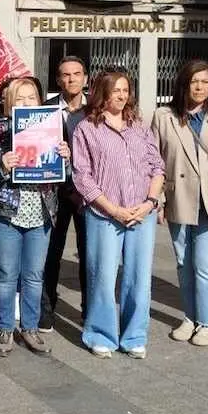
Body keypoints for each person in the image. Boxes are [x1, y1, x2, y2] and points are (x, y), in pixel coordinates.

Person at [151, 60, 208, 347]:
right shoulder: (163, 116)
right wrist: (158, 199)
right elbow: (155, 161)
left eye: (205, 82)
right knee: (183, 262)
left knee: (205, 263)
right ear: (182, 83)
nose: (200, 87)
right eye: (194, 81)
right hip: (178, 195)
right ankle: (190, 316)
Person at [72, 71, 164, 359]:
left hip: (141, 213)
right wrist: (112, 209)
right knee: (102, 275)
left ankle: (135, 335)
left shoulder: (138, 125)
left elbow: (156, 166)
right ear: (101, 94)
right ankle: (101, 334)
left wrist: (150, 202)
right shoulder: (86, 129)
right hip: (104, 215)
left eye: (125, 90)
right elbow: (82, 176)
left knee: (138, 277)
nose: (122, 96)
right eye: (115, 91)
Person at [0, 78, 70, 356]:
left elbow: (66, 175)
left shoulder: (52, 129)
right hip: (5, 213)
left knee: (34, 274)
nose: (26, 103)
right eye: (19, 98)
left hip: (41, 212)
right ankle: (5, 327)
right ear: (8, 101)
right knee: (6, 273)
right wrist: (2, 167)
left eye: (31, 98)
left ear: (40, 101)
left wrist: (65, 159)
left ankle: (29, 328)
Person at [41, 56, 89, 332]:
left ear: (85, 78)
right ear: (58, 80)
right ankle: (47, 309)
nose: (71, 79)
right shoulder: (44, 110)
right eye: (65, 75)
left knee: (88, 254)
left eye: (76, 74)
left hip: (86, 193)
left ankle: (89, 311)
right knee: (50, 253)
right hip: (53, 191)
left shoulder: (96, 109)